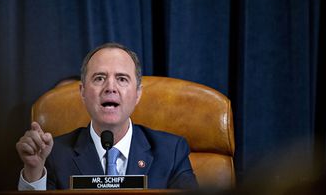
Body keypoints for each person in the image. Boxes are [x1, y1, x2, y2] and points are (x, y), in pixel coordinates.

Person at [16, 42, 198, 190]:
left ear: (138, 94)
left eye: (122, 79)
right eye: (99, 78)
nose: (110, 87)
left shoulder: (171, 151)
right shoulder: (54, 155)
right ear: (83, 92)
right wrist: (34, 172)